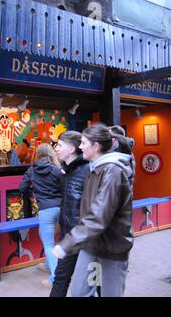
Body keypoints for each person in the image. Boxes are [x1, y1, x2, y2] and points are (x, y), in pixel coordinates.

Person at [53, 124, 134, 297]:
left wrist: (67, 243)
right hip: (91, 245)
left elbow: (99, 216)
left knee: (109, 294)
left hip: (112, 248)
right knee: (80, 292)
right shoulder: (93, 169)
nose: (80, 147)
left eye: (83, 143)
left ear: (96, 146)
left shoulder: (112, 172)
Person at [50, 131, 89, 297]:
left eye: (59, 145)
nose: (56, 149)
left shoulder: (88, 170)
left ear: (72, 148)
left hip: (86, 239)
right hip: (68, 237)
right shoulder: (65, 172)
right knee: (60, 278)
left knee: (91, 284)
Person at [19, 143, 63, 288]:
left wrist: (34, 193)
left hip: (46, 210)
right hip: (61, 209)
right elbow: (65, 187)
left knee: (48, 243)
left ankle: (56, 278)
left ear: (37, 154)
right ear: (51, 154)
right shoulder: (57, 170)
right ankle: (48, 264)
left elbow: (22, 188)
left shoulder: (32, 170)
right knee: (51, 238)